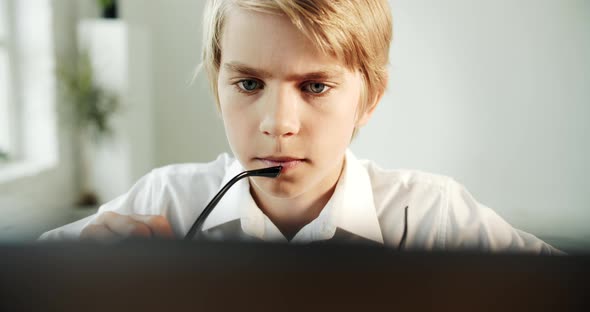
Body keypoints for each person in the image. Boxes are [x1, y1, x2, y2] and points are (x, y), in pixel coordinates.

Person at [40, 0, 561, 254]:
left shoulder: (434, 218)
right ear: (217, 89)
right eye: (248, 85)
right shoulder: (163, 204)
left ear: (369, 99)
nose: (278, 124)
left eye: (315, 87)